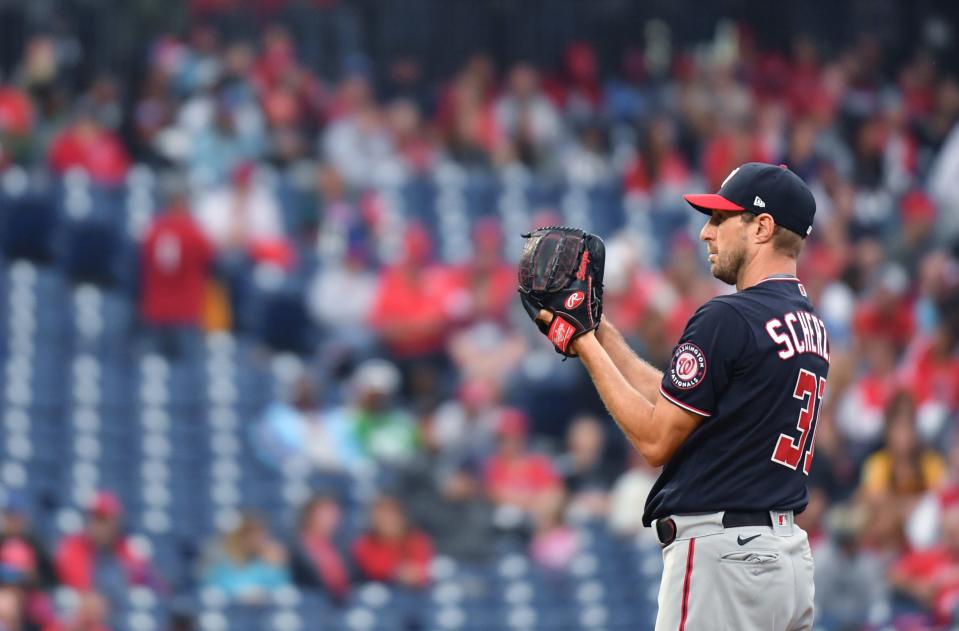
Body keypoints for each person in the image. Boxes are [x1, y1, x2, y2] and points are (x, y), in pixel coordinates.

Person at [530, 163, 827, 630]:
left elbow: (655, 439)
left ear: (763, 227)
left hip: (724, 559)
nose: (706, 233)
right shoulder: (809, 325)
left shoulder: (728, 317)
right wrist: (601, 331)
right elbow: (683, 403)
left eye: (721, 219)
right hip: (784, 561)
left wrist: (581, 343)